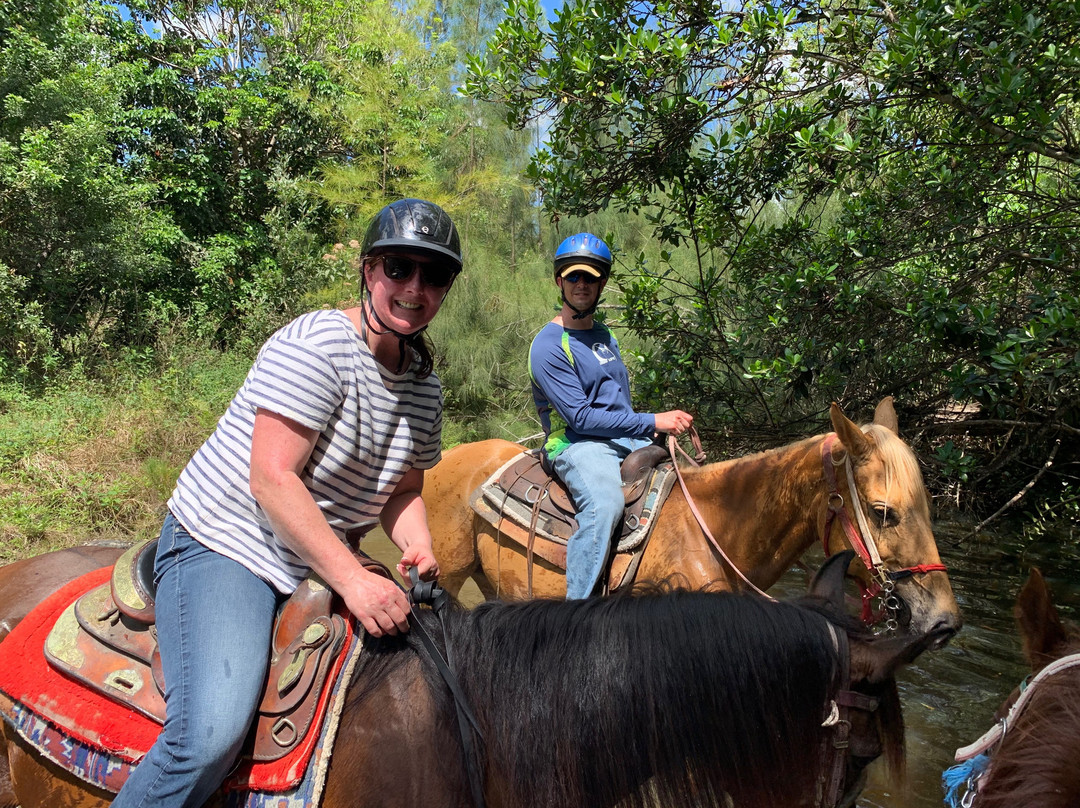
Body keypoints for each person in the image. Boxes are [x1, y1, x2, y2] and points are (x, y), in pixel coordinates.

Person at [111, 198, 461, 808]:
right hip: (229, 543)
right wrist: (354, 578)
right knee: (208, 734)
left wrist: (417, 541)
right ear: (368, 268)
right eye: (399, 268)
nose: (415, 287)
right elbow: (272, 479)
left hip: (313, 557)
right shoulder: (319, 344)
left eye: (433, 275)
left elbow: (402, 489)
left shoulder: (424, 386)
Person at [528, 232, 694, 599]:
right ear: (560, 281)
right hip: (575, 443)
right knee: (605, 505)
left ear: (602, 283)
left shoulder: (604, 336)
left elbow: (616, 404)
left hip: (620, 437)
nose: (581, 284)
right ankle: (578, 612)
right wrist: (653, 421)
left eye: (590, 277)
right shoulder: (549, 345)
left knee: (692, 481)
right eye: (573, 277)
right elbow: (582, 419)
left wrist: (649, 433)